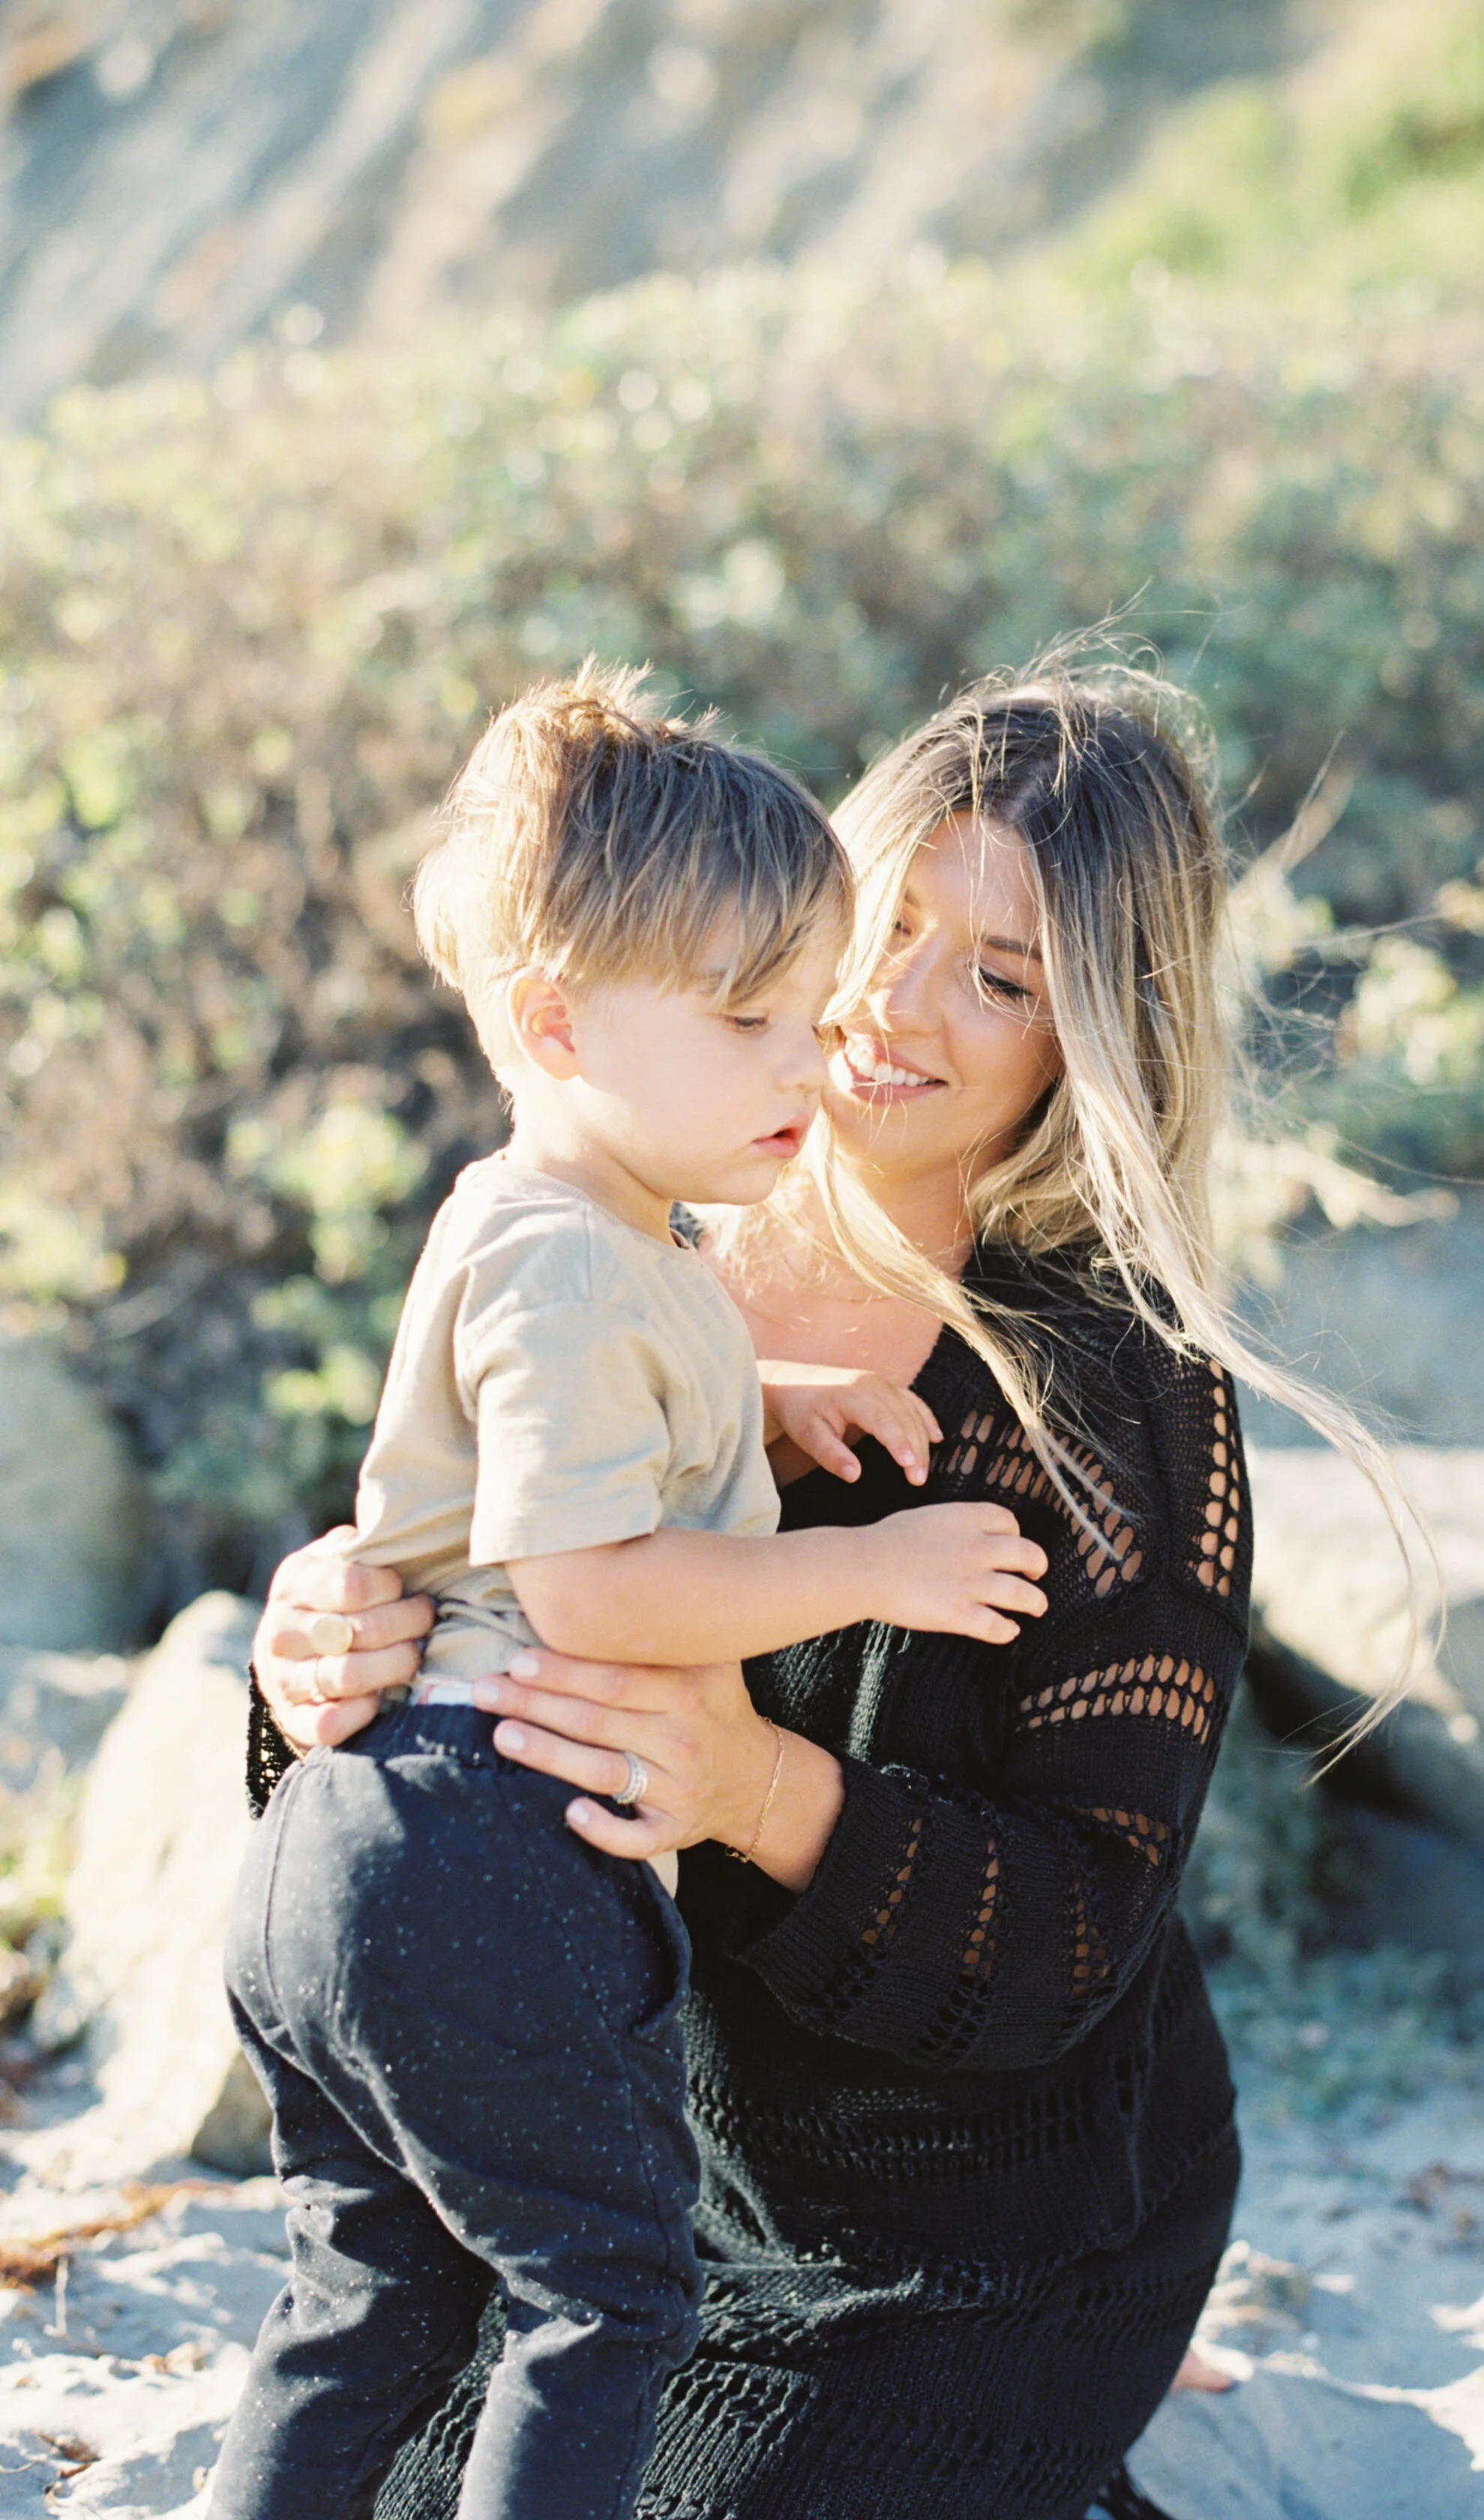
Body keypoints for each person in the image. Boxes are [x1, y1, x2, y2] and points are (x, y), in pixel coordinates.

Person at [250, 664, 1369, 2520]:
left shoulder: (1117, 1403)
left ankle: (1086, 2382)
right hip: (605, 2154)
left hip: (960, 2228)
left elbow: (1080, 1936)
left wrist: (754, 1792)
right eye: (890, 917)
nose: (888, 1006)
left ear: (1096, 1039)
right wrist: (314, 1655)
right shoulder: (628, 1230)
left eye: (1000, 978)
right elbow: (426, 1738)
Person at [213, 667, 1049, 2520]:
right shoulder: (588, 1267)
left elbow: (574, 1429)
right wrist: (865, 1566)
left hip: (342, 1863)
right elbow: (585, 1589)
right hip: (482, 1855)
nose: (802, 1065)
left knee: (365, 2300)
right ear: (551, 1021)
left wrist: (763, 1398)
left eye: (806, 1016)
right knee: (602, 2298)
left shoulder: (571, 1229)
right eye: (750, 1022)